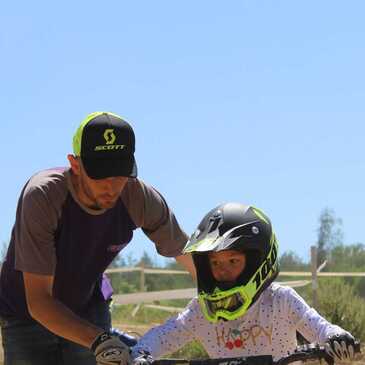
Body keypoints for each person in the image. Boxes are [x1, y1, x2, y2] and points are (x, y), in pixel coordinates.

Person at [0, 111, 195, 365]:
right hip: (24, 312)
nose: (111, 185)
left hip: (87, 305)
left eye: (120, 173)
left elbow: (189, 255)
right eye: (101, 174)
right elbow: (39, 302)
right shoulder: (43, 196)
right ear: (75, 164)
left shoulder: (139, 198)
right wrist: (100, 340)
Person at [132, 203, 357, 364]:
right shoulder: (201, 311)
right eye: (215, 262)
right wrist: (142, 352)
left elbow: (317, 325)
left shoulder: (281, 300)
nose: (223, 270)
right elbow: (165, 335)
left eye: (233, 260)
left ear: (257, 262)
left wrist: (336, 337)